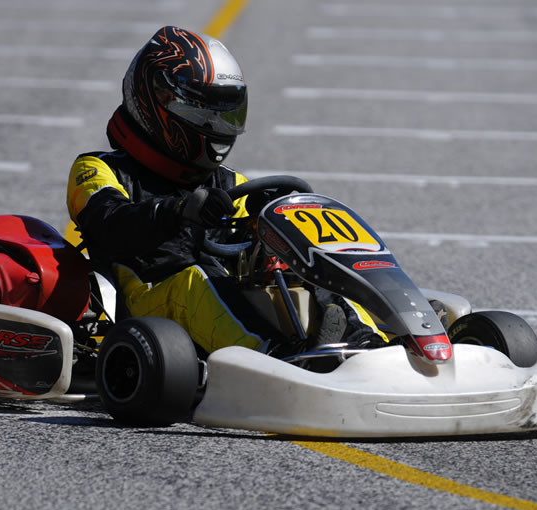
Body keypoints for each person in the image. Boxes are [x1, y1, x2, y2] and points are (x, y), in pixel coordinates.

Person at [66, 26, 384, 356]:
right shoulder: (98, 168)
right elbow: (109, 224)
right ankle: (274, 359)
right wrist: (177, 211)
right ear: (156, 100)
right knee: (198, 280)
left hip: (223, 294)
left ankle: (366, 342)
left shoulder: (230, 183)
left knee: (308, 263)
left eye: (224, 112)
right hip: (147, 300)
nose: (215, 126)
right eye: (202, 112)